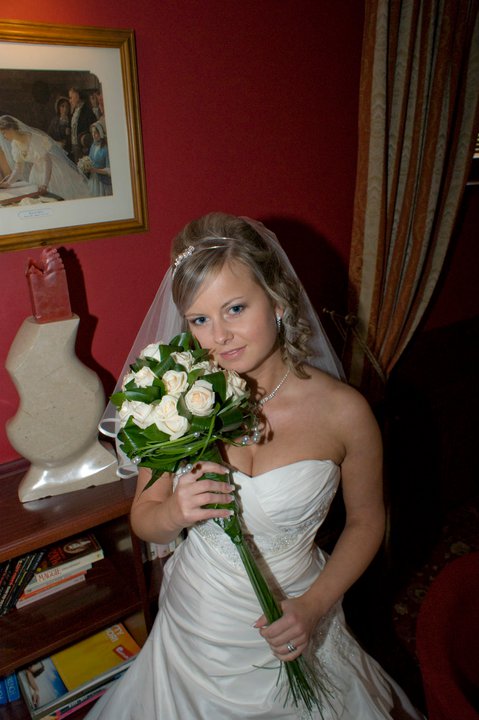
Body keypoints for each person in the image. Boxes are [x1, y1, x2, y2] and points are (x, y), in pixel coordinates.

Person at [88, 213, 423, 719]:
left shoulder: (344, 412)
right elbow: (145, 517)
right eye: (199, 320)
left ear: (278, 300)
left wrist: (313, 607)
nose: (219, 336)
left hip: (301, 609)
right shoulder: (170, 401)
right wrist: (175, 512)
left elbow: (366, 521)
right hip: (199, 623)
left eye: (235, 308)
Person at [0, 115, 90, 200]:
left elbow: (47, 161)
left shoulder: (33, 138)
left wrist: (45, 184)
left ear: (10, 128)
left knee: (61, 196)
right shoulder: (15, 145)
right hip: (37, 172)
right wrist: (8, 183)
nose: (3, 137)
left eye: (4, 133)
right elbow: (18, 169)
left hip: (52, 170)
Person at [68, 87, 97, 163]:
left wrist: (86, 145)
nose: (70, 100)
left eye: (71, 97)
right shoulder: (74, 111)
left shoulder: (87, 111)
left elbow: (93, 130)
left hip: (83, 148)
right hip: (74, 147)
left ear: (77, 96)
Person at [86, 122, 112, 197]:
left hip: (102, 182)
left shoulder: (106, 148)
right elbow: (90, 160)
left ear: (100, 133)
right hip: (93, 180)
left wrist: (96, 170)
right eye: (92, 132)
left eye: (96, 132)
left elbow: (109, 170)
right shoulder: (93, 146)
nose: (93, 135)